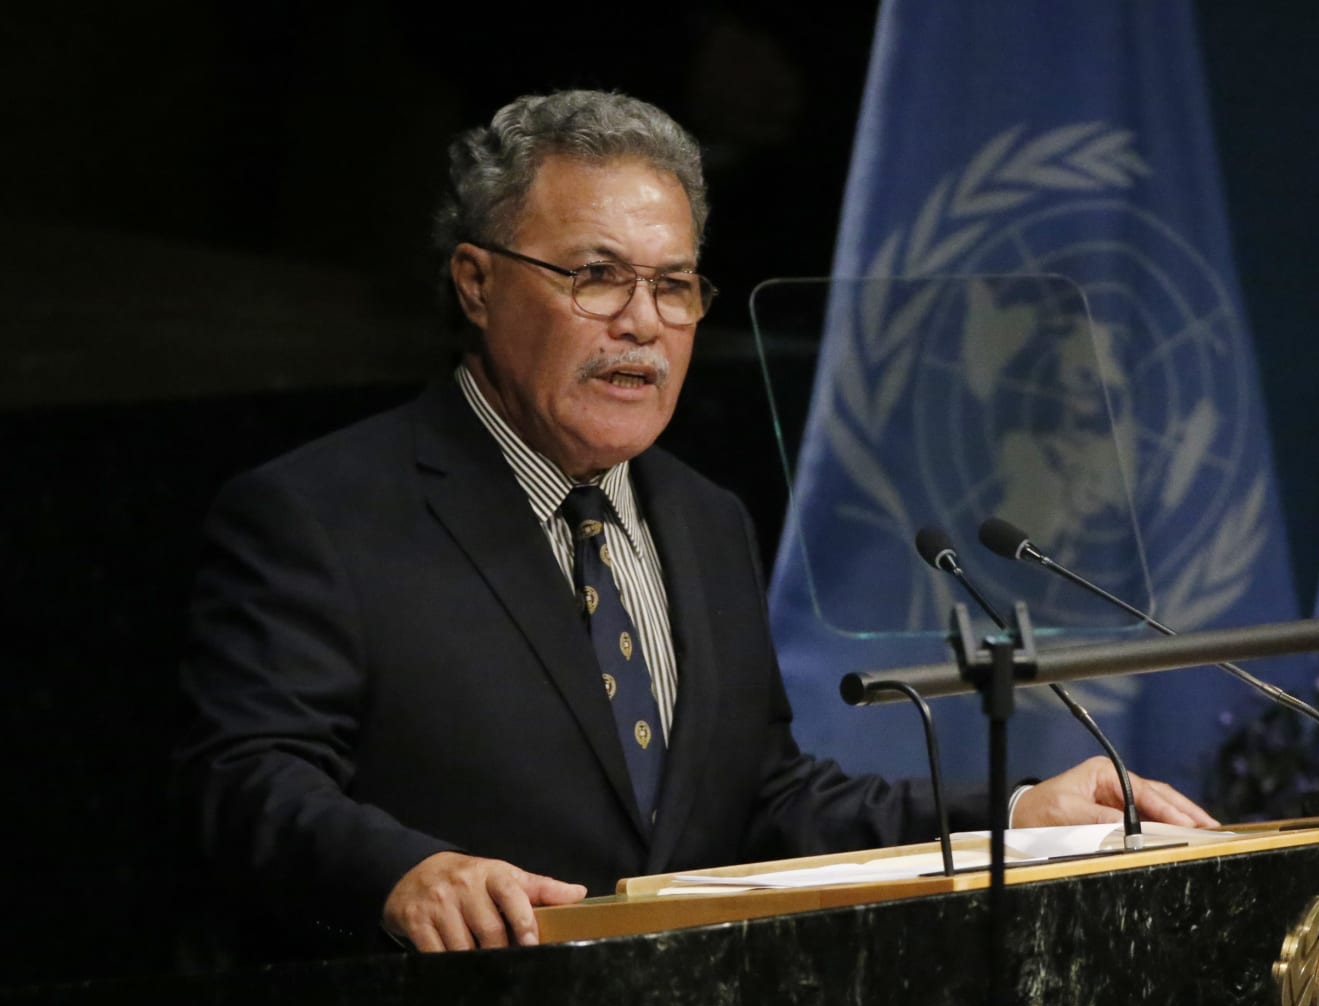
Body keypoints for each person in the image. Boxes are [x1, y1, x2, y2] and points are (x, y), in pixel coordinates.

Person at [175, 90, 1213, 956]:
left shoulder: (703, 518)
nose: (643, 321)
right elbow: (246, 777)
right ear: (476, 283)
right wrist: (401, 871)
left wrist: (1013, 813)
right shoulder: (319, 513)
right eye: (596, 276)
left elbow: (762, 800)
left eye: (674, 286)